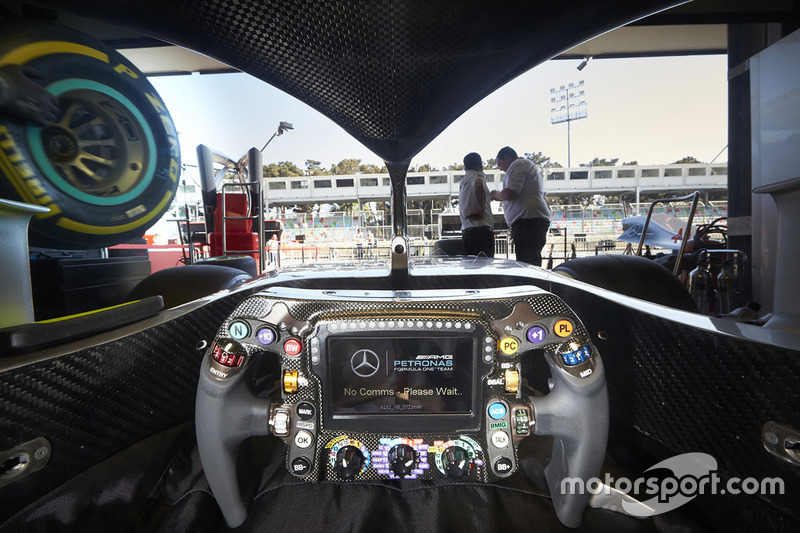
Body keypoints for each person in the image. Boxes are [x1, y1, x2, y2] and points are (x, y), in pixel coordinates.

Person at [490, 146, 550, 266]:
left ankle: (531, 284)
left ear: (507, 157)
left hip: (528, 222)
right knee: (529, 260)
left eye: (500, 163)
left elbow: (510, 193)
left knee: (527, 263)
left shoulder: (518, 165)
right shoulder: (526, 165)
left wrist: (495, 194)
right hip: (530, 220)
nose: (500, 168)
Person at [458, 152, 494, 257]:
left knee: (470, 268)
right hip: (482, 230)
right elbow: (478, 184)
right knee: (485, 268)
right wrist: (480, 209)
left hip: (467, 231)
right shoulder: (478, 175)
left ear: (465, 167)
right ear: (480, 164)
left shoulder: (463, 182)